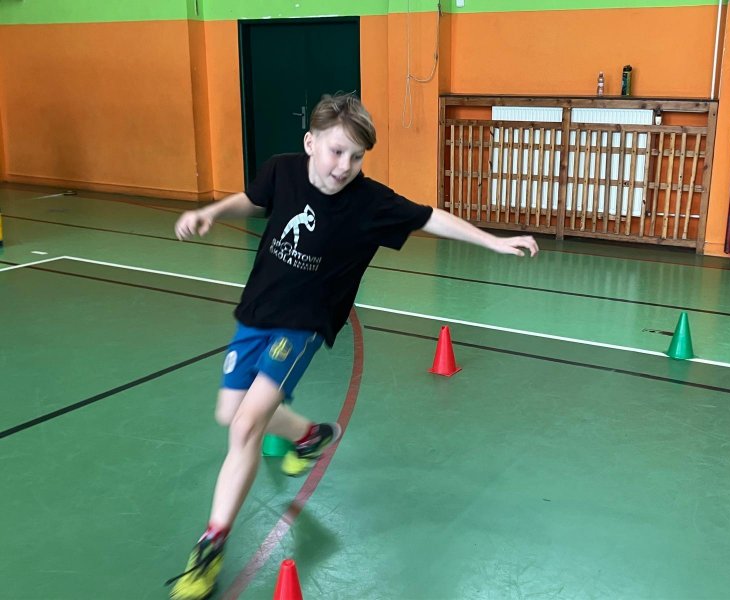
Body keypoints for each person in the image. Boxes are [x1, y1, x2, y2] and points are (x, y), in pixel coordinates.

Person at [166, 93, 538, 599]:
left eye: (357, 157)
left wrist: (493, 241)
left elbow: (429, 217)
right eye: (337, 151)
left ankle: (210, 546)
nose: (345, 166)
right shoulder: (282, 171)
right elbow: (253, 200)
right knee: (229, 411)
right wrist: (213, 210)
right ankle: (308, 435)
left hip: (302, 325)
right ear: (310, 142)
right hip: (257, 311)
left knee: (246, 424)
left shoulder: (368, 202)